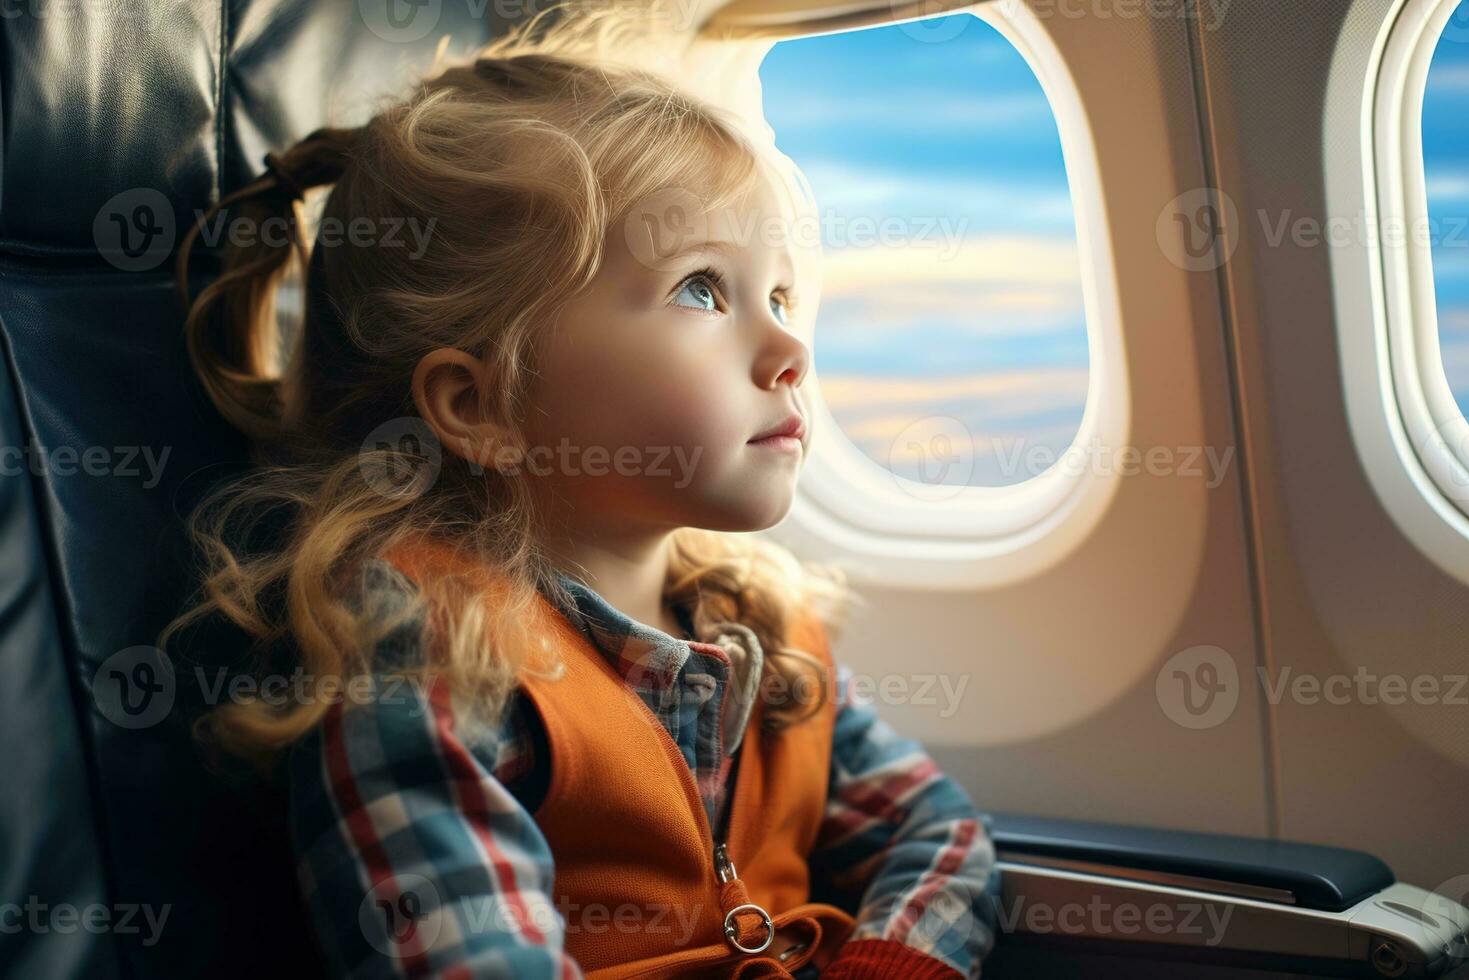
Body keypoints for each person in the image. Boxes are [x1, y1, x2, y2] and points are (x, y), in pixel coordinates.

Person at [164, 4, 999, 976]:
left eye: (779, 296)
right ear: (483, 404)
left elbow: (942, 833)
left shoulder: (761, 626)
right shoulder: (433, 652)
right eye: (702, 290)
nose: (791, 350)